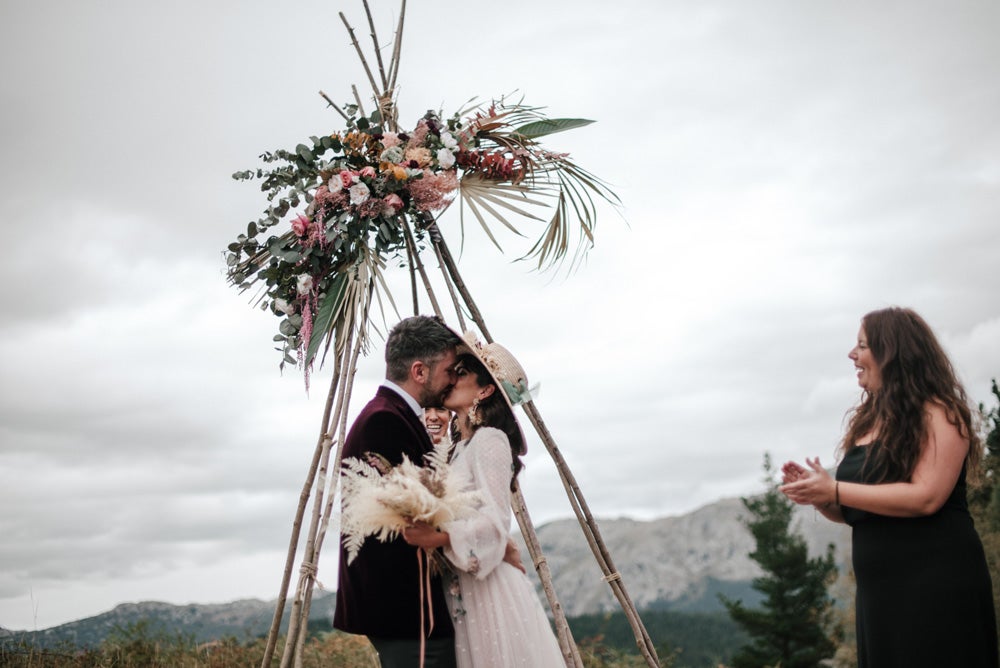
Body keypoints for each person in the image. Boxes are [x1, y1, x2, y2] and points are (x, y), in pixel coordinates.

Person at [780, 307, 998, 667]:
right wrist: (818, 495)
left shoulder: (941, 413)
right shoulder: (868, 422)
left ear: (892, 352)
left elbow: (927, 496)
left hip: (936, 587)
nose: (852, 355)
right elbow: (858, 510)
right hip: (880, 597)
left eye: (862, 345)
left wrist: (835, 490)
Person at [403, 335, 565, 667]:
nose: (451, 378)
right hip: (462, 588)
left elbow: (496, 519)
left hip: (488, 591)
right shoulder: (457, 449)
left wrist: (440, 538)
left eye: (461, 373)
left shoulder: (490, 440)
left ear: (485, 390)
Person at [333, 315, 462, 668]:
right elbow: (407, 520)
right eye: (449, 370)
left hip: (407, 611)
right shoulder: (384, 421)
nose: (452, 379)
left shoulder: (395, 414)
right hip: (407, 610)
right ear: (420, 371)